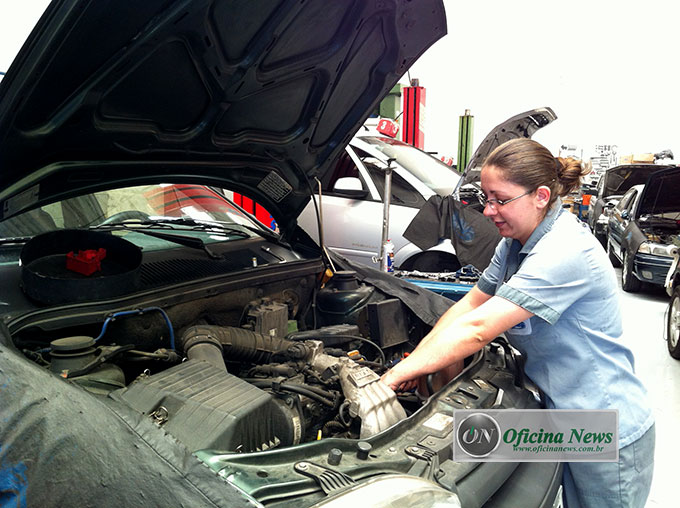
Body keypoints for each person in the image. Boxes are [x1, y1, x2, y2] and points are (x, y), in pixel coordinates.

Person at [381, 138, 654, 508]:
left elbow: (479, 329)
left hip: (603, 428)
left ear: (541, 195)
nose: (489, 210)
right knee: (465, 443)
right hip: (559, 419)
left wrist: (393, 379)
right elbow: (469, 307)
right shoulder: (512, 246)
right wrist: (418, 361)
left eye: (500, 199)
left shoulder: (564, 250)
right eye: (485, 198)